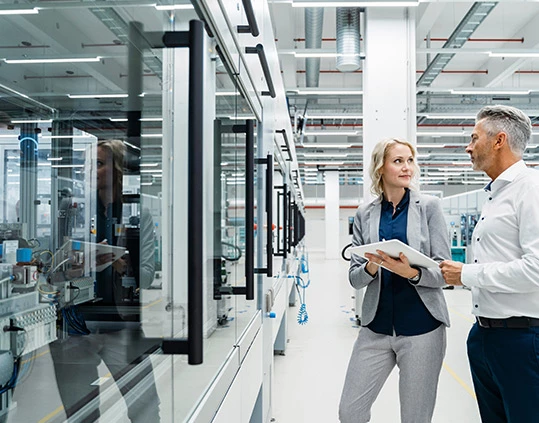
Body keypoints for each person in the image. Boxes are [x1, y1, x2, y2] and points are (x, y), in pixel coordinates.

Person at [339, 138, 451, 423]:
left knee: (415, 418)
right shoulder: (365, 213)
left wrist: (411, 274)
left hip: (422, 328)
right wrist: (372, 267)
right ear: (380, 168)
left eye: (410, 160)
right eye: (398, 161)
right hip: (375, 327)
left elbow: (444, 272)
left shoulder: (429, 207)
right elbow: (354, 278)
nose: (407, 167)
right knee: (350, 412)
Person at [440, 105, 539, 423]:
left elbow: (536, 269)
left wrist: (466, 274)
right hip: (485, 336)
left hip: (523, 340)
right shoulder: (497, 194)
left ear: (499, 140)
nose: (468, 147)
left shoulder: (532, 189)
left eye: (473, 138)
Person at [50, 139, 161, 422]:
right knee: (81, 415)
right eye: (88, 164)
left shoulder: (138, 215)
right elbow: (52, 268)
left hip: (119, 325)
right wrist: (78, 265)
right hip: (74, 326)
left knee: (146, 408)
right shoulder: (71, 207)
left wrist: (122, 266)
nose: (90, 170)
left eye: (98, 164)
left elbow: (146, 276)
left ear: (118, 170)